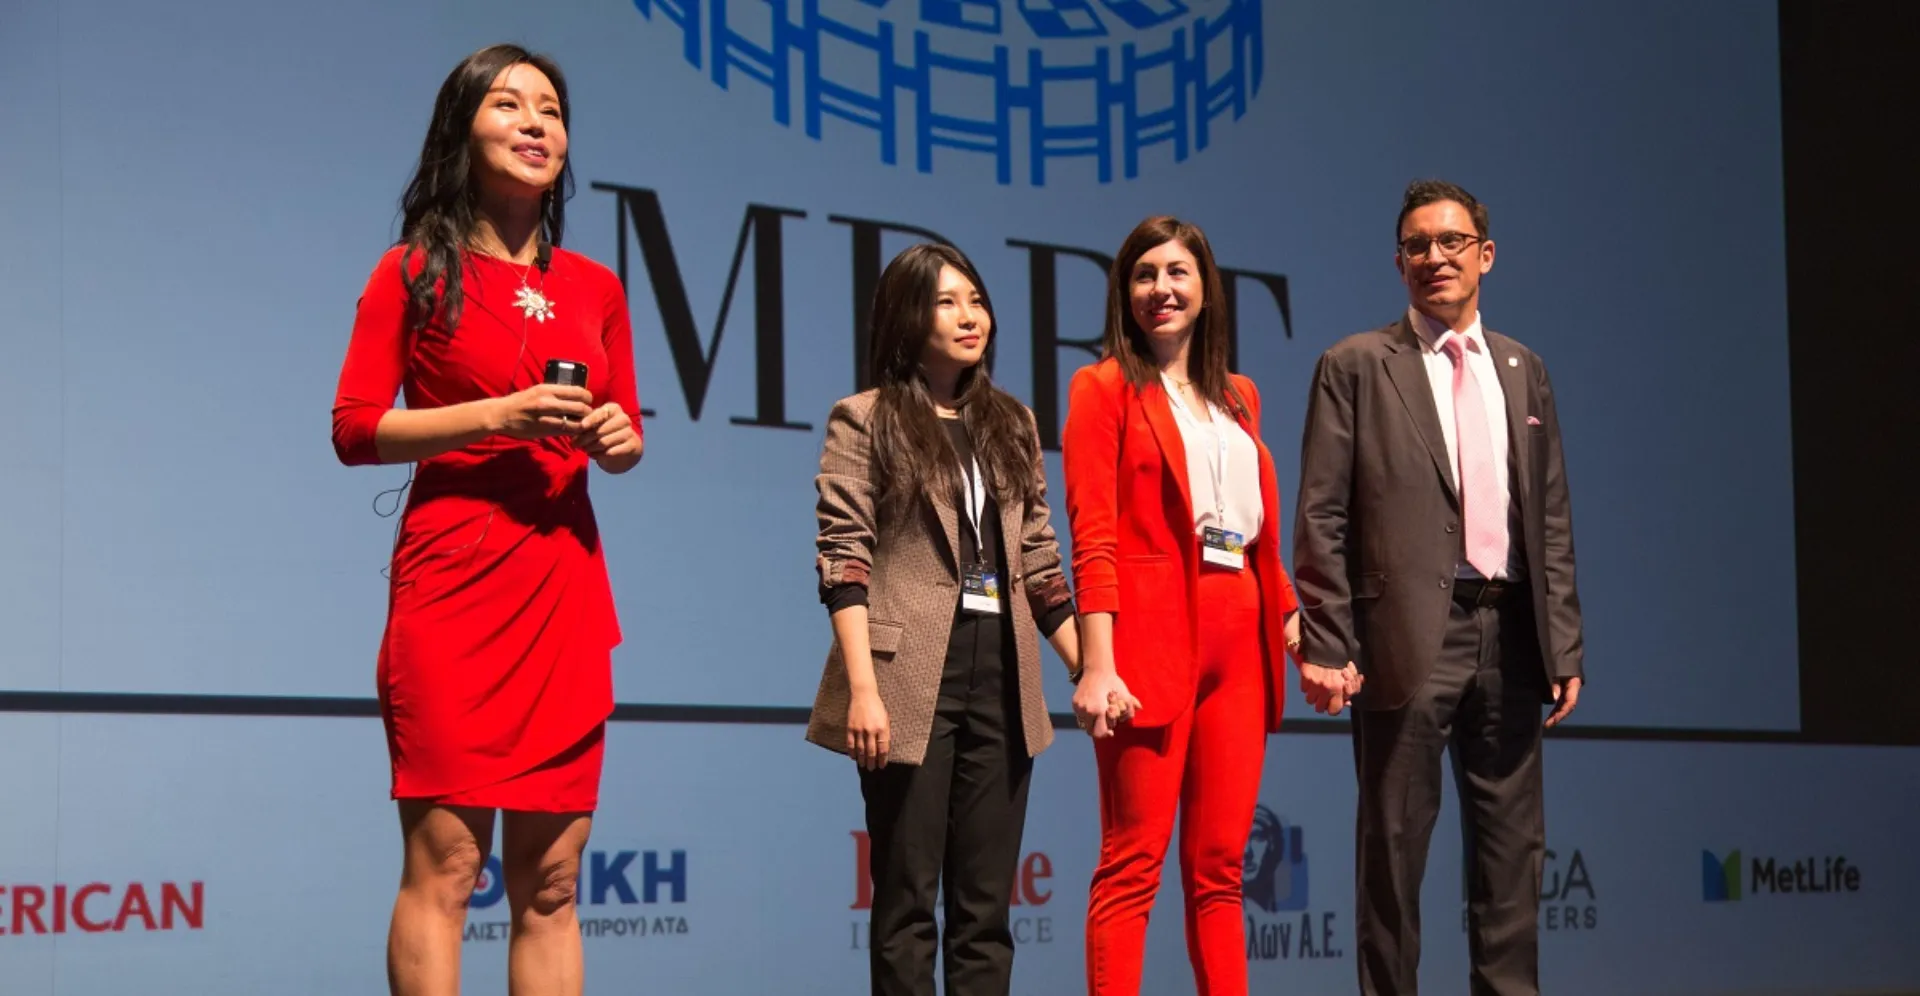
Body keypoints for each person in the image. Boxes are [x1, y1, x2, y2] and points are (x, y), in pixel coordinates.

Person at [330, 43, 642, 996]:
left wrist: (617, 439)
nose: (535, 122)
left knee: (552, 884)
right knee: (449, 870)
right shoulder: (411, 271)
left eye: (551, 109)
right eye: (508, 104)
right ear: (461, 131)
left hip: (562, 588)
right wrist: (495, 417)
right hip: (454, 586)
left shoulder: (596, 286)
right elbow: (354, 429)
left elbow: (625, 432)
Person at [1292, 179, 1586, 996]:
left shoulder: (1523, 370)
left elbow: (1549, 516)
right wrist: (1329, 640)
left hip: (1513, 637)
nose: (1434, 257)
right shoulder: (1356, 365)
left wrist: (1563, 642)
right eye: (1417, 245)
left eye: (1451, 242)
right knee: (1391, 858)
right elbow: (1321, 514)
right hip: (1403, 638)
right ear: (1399, 264)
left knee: (1512, 859)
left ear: (1485, 256)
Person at [807, 243, 1082, 996]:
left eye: (977, 300)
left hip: (1003, 680)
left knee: (985, 912)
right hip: (906, 683)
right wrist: (864, 690)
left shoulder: (1012, 423)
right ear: (907, 315)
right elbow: (844, 557)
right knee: (905, 907)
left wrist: (1088, 668)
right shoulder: (865, 418)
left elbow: (1039, 562)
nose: (970, 317)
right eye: (947, 302)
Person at [1062, 215, 1302, 996]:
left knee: (1221, 871)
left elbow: (1258, 541)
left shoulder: (1240, 396)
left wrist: (1302, 638)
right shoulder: (1102, 388)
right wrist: (1098, 665)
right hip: (1150, 644)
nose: (1160, 288)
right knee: (1132, 864)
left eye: (1176, 272)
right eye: (1144, 274)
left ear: (1205, 288)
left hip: (1241, 645)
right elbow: (1093, 535)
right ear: (1124, 293)